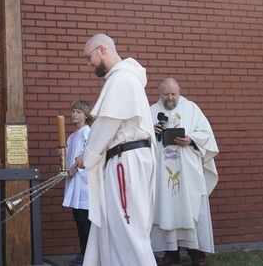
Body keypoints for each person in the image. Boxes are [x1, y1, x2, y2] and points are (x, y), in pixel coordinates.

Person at [75, 33, 157, 266]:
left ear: (102, 49)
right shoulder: (125, 77)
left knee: (126, 228)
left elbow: (107, 125)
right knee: (116, 227)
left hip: (125, 162)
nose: (88, 63)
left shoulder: (121, 79)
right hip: (126, 159)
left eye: (88, 56)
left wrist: (87, 156)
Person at [150, 78, 219, 266]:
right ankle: (171, 252)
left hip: (188, 171)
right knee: (167, 208)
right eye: (166, 94)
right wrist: (151, 130)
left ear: (179, 91)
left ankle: (197, 254)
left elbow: (206, 134)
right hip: (164, 174)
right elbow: (141, 139)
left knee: (191, 207)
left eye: (174, 93)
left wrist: (191, 139)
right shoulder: (151, 112)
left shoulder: (192, 108)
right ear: (159, 92)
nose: (170, 97)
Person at [62, 100, 93, 266]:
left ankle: (88, 256)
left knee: (85, 221)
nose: (74, 114)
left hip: (85, 185)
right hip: (75, 183)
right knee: (79, 220)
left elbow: (92, 156)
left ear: (86, 115)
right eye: (73, 111)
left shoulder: (88, 133)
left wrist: (79, 168)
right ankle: (83, 253)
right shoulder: (73, 136)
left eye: (78, 112)